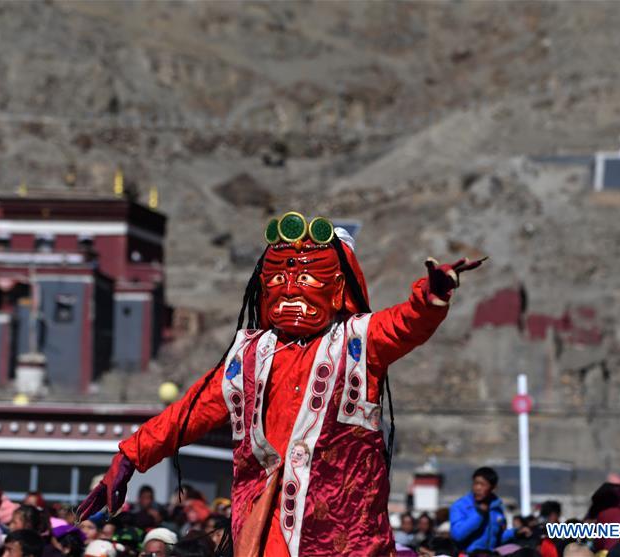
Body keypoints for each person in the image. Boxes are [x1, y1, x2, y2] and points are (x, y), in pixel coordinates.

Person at [77, 214, 485, 557]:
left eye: (306, 281)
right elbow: (191, 411)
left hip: (345, 534)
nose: (290, 293)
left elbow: (407, 324)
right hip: (266, 523)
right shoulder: (249, 355)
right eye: (280, 282)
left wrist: (431, 294)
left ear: (338, 289)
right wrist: (129, 456)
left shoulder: (360, 341)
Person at [450, 467, 516, 552]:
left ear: (493, 488)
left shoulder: (497, 508)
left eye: (482, 484)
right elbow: (457, 535)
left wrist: (515, 533)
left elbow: (497, 539)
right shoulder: (460, 506)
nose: (478, 488)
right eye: (475, 483)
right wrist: (479, 515)